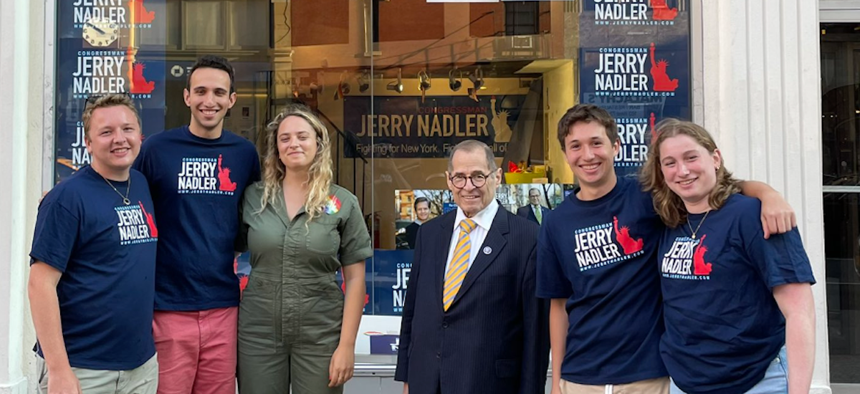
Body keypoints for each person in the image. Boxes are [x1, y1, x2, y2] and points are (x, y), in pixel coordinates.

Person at [536, 104, 797, 394]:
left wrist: (767, 194)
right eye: (576, 146)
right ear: (565, 154)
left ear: (616, 147)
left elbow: (711, 186)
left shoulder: (647, 196)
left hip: (651, 374)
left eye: (596, 143)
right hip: (581, 375)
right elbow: (558, 304)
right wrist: (558, 380)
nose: (587, 155)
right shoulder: (555, 222)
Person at [640, 119, 815, 394]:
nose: (682, 170)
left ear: (715, 158)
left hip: (756, 381)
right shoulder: (668, 220)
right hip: (684, 383)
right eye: (670, 163)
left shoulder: (753, 215)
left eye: (691, 157)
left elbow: (799, 312)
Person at [133, 55, 261, 394]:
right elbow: (133, 212)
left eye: (219, 92)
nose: (210, 100)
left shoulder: (245, 154)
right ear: (186, 96)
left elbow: (250, 223)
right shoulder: (157, 150)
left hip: (223, 305)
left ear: (232, 100)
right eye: (201, 91)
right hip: (167, 307)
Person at [395, 140, 550, 394]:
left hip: (490, 384)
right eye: (460, 177)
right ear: (448, 180)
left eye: (478, 176)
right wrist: (408, 377)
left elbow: (536, 335)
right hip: (426, 381)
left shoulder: (527, 237)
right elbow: (412, 311)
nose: (468, 187)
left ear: (497, 176)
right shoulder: (430, 234)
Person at [238, 104, 372, 394]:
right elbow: (227, 255)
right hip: (258, 333)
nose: (293, 144)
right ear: (276, 148)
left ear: (318, 144)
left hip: (320, 334)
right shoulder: (253, 197)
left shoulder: (343, 202)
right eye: (284, 138)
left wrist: (346, 346)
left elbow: (356, 279)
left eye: (302, 136)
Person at [29, 94, 158, 394]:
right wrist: (59, 371)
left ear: (140, 135)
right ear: (88, 143)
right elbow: (40, 286)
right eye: (106, 132)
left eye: (127, 129)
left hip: (140, 367)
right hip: (82, 368)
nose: (119, 139)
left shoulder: (141, 184)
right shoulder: (66, 199)